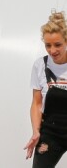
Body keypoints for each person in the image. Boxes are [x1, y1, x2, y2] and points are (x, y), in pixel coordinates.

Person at [25, 10, 67, 166]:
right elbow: (36, 103)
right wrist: (36, 132)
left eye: (58, 45)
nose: (52, 50)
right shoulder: (40, 65)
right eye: (47, 45)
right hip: (51, 132)